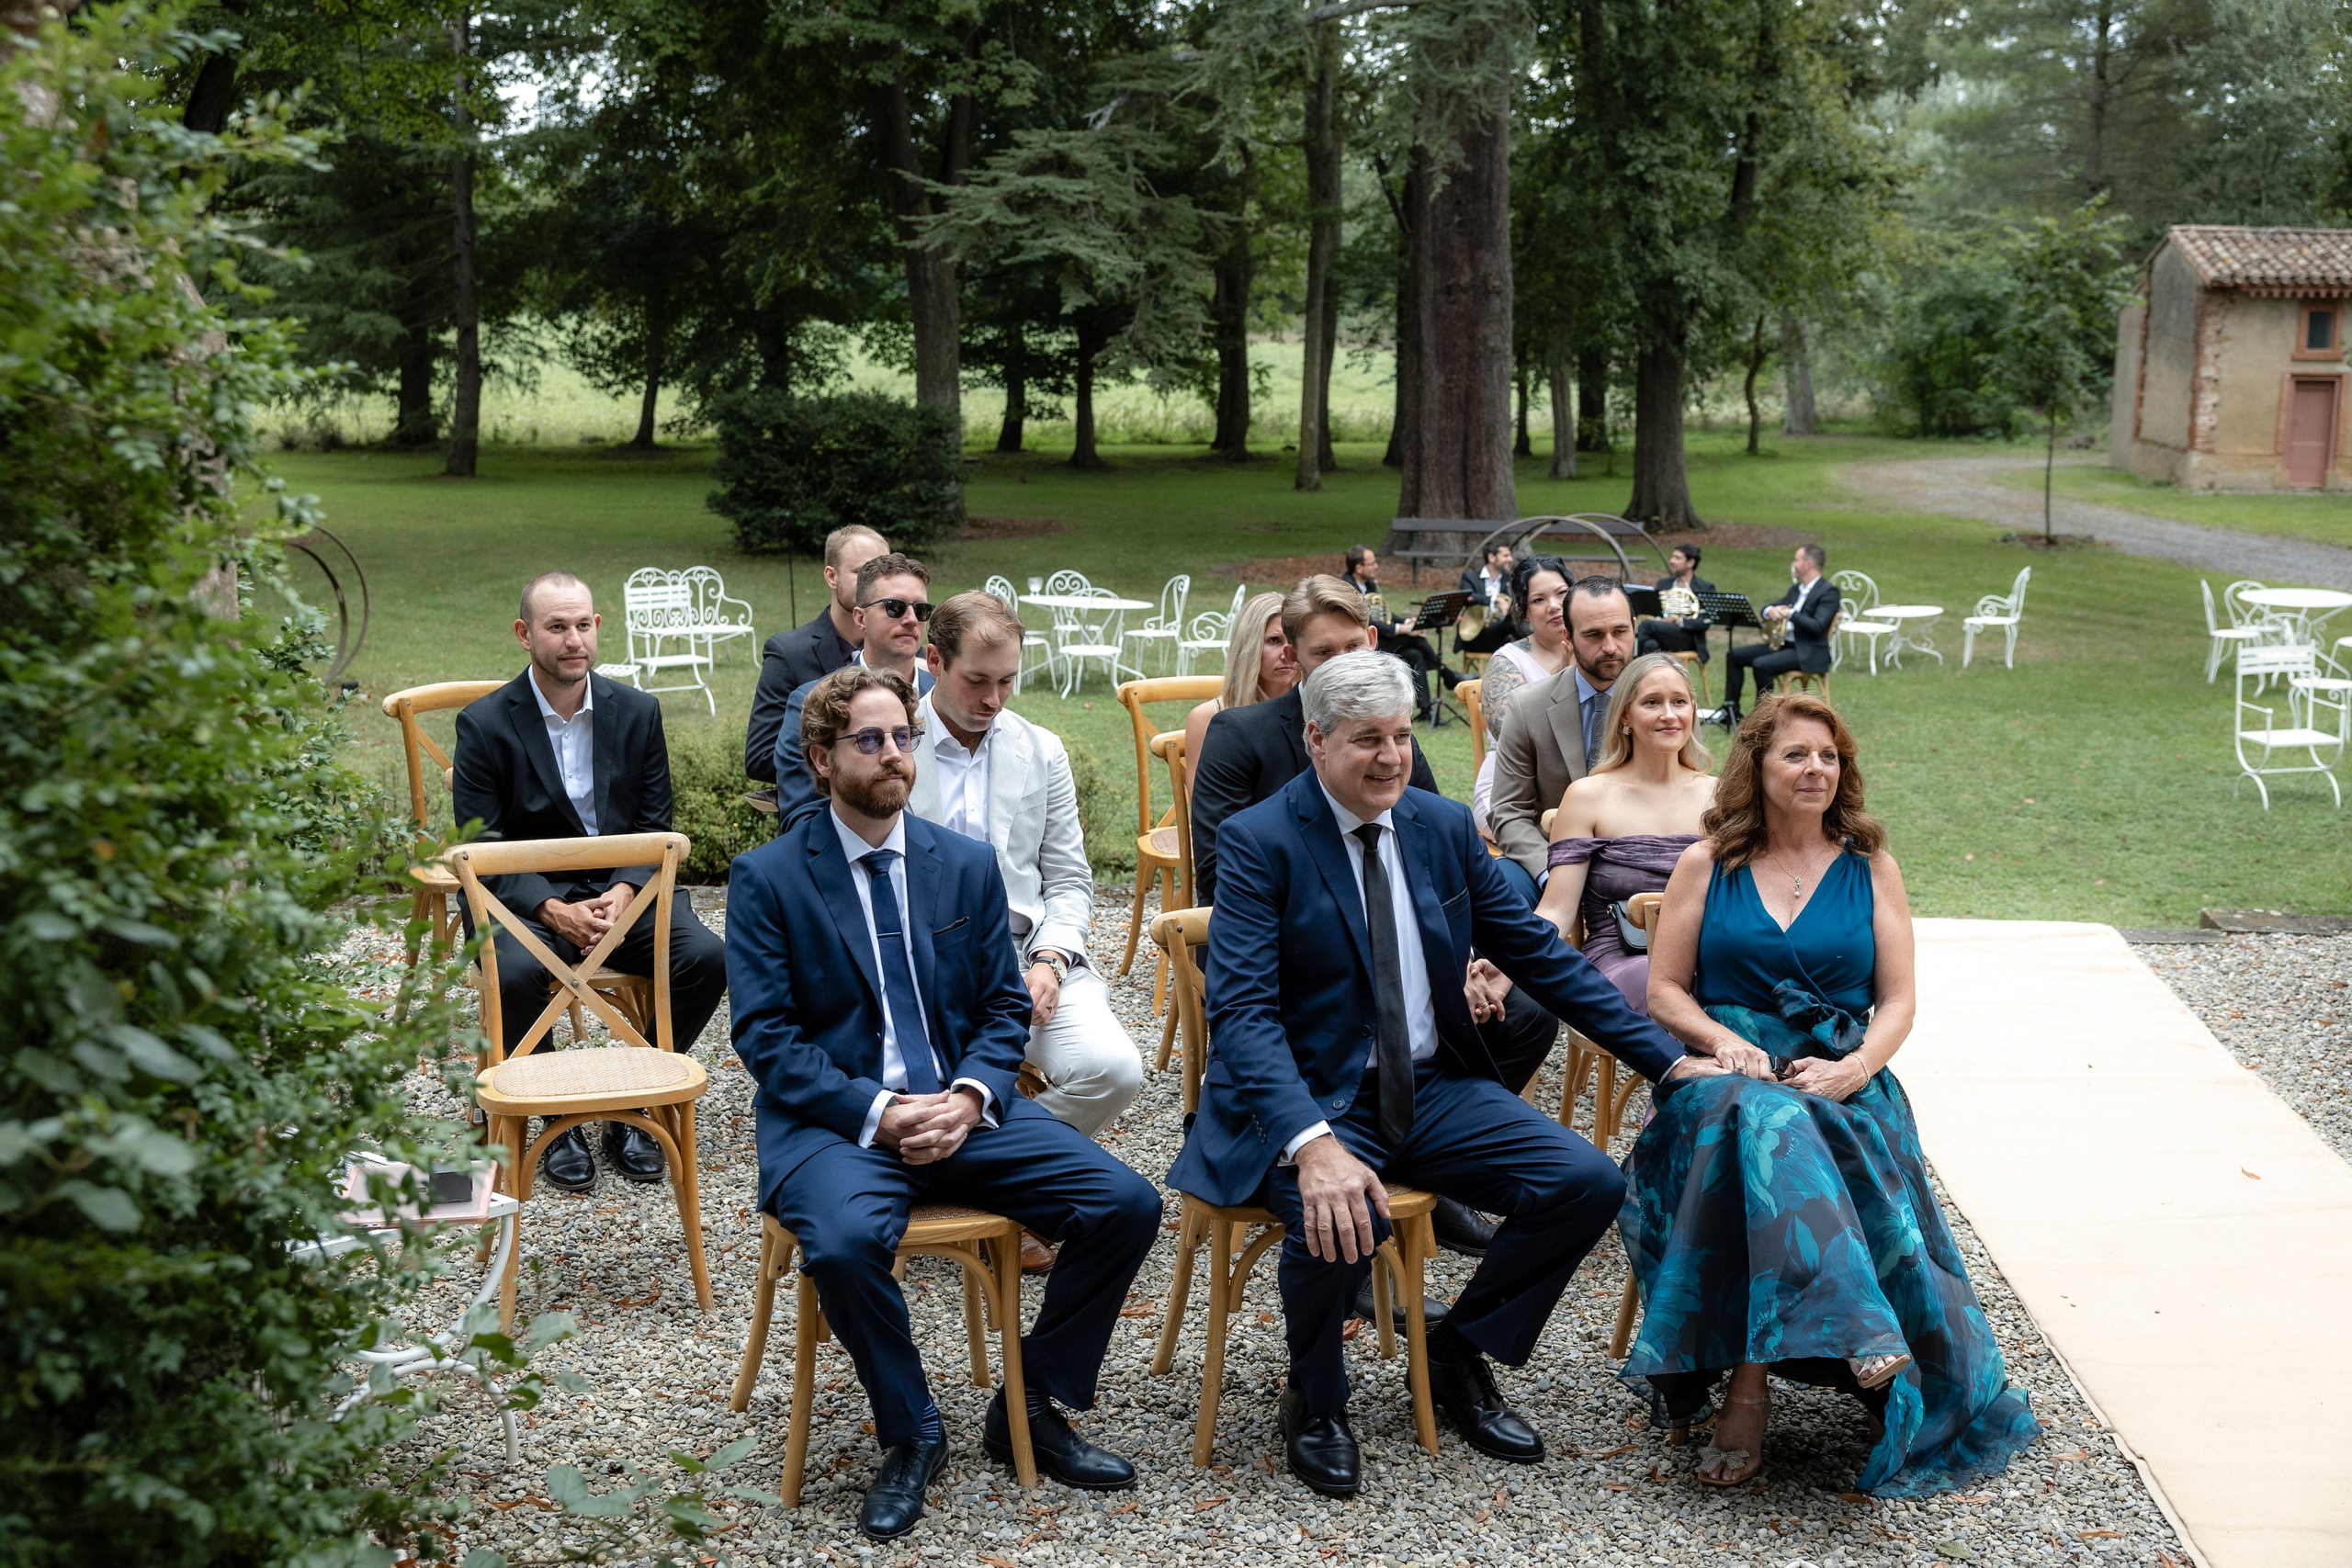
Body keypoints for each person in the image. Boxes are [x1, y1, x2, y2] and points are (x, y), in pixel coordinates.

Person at [1167, 651, 1713, 1497]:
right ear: (1316, 739)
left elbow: (1537, 955)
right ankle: (1315, 1398)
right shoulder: (1259, 841)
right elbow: (1242, 1014)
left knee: (1585, 1183)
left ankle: (1456, 1348)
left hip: (1429, 1088)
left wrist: (1668, 1058)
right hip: (1311, 1097)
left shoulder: (1441, 825)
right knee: (1337, 1212)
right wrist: (1312, 1144)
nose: (1391, 757)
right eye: (1366, 740)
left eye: (1400, 736)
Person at [726, 666, 1163, 1540]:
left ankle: (1030, 1403)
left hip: (964, 1109)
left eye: (903, 737)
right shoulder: (769, 877)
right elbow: (766, 1038)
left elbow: (1002, 1008)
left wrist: (969, 1096)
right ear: (821, 758)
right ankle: (913, 1429)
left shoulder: (961, 863)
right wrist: (881, 1113)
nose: (894, 754)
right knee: (843, 1245)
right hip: (840, 1123)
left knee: (1125, 1203)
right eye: (870, 739)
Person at [1624, 694, 2042, 1495]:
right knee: (1760, 1115)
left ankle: (1752, 1389)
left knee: (1778, 1126)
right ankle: (1855, 1322)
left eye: (1829, 755)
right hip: (1726, 1079)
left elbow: (1899, 1001)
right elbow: (1664, 990)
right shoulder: (1706, 863)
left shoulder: (1871, 866)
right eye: (1796, 754)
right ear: (1757, 766)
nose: (1816, 768)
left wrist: (1855, 1069)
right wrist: (1723, 1041)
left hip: (1841, 1076)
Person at [1192, 575, 1536, 1261]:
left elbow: (1436, 850)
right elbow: (1218, 878)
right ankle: (1355, 1189)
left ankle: (1434, 1154)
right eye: (1324, 652)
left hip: (1399, 946)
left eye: (1355, 647)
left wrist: (1456, 960)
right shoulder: (1244, 736)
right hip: (1292, 955)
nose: (1345, 665)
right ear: (1291, 656)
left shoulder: (1391, 735)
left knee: (1523, 1010)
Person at [453, 571, 730, 1193]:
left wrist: (626, 893)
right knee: (515, 974)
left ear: (597, 626)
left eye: (583, 624)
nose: (573, 640)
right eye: (556, 627)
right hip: (522, 897)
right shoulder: (484, 724)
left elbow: (655, 824)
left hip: (621, 893)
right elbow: (483, 846)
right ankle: (558, 1117)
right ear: (524, 633)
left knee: (708, 958)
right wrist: (552, 908)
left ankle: (633, 1103)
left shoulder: (637, 711)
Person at [911, 592, 1146, 1271]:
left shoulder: (1040, 749)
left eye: (1007, 680)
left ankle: (987, 1187)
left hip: (1024, 952)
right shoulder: (893, 740)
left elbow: (1070, 880)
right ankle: (990, 1189)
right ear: (934, 662)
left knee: (1114, 1069)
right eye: (976, 680)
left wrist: (1049, 959)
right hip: (919, 960)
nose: (993, 698)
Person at [1531, 654, 1715, 1012]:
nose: (1668, 714)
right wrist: (1507, 961)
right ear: (1625, 715)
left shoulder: (1723, 796)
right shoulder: (1588, 796)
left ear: (1693, 710)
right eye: (1652, 702)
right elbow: (1557, 909)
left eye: (1679, 701)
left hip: (1709, 953)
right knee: (1656, 982)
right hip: (1625, 957)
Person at [1489, 576, 1638, 897]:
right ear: (1568, 638)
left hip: (1642, 861)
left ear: (1634, 628)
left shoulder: (1668, 706)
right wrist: (1553, 874)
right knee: (1504, 885)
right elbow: (1509, 811)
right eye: (1594, 635)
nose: (1610, 647)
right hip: (1552, 855)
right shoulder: (1528, 706)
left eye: (1620, 632)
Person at [774, 553, 938, 829]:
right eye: (895, 608)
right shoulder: (810, 700)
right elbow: (802, 818)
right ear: (861, 617)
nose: (911, 619)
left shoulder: (941, 697)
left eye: (921, 610)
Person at [746, 525, 889, 783]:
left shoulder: (908, 655)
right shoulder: (788, 654)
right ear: (831, 576)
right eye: (863, 572)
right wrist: (851, 763)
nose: (876, 585)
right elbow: (761, 758)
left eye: (884, 574)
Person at [1467, 554, 1573, 846]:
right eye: (1539, 600)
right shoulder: (1507, 661)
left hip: (1582, 788)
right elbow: (1514, 738)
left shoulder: (1598, 653)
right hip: (1513, 792)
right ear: (1523, 611)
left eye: (1562, 594)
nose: (1554, 605)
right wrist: (1564, 675)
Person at [1182, 592, 1295, 796]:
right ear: (1248, 646)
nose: (1287, 653)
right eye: (1274, 640)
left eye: (1293, 641)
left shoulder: (1311, 710)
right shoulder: (1207, 718)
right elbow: (1205, 805)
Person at [1720, 545, 1840, 727]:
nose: (1793, 564)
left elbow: (1818, 626)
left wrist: (1791, 614)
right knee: (1735, 655)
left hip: (1807, 651)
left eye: (1796, 560)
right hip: (1785, 645)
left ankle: (1763, 720)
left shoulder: (1828, 592)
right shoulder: (1796, 590)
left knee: (1761, 665)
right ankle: (1732, 712)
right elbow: (1769, 607)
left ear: (1808, 564)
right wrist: (1770, 611)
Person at [1342, 545, 1460, 721]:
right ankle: (1447, 673)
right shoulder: (1347, 588)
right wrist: (1402, 629)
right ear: (1359, 568)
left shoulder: (1370, 584)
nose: (1376, 566)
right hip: (1363, 644)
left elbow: (1385, 613)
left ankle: (1426, 710)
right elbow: (1365, 621)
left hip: (1381, 638)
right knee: (1414, 639)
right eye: (1372, 563)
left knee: (1415, 654)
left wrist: (1406, 622)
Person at [1635, 545, 1718, 662]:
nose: (1671, 561)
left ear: (1690, 562)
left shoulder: (1704, 587)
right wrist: (1661, 619)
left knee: (1647, 625)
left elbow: (1706, 622)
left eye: (1677, 558)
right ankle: (1646, 674)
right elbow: (1655, 610)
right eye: (1672, 557)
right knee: (1650, 645)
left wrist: (1677, 620)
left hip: (1687, 637)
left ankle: (1628, 664)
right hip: (1662, 633)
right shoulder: (1664, 584)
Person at [1454, 541, 1515, 658]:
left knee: (1514, 623)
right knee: (1512, 625)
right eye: (1506, 556)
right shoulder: (1470, 577)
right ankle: (1537, 647)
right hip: (1476, 636)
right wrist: (1496, 599)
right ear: (1492, 557)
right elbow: (1467, 597)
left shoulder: (1509, 579)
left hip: (1502, 636)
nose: (1510, 559)